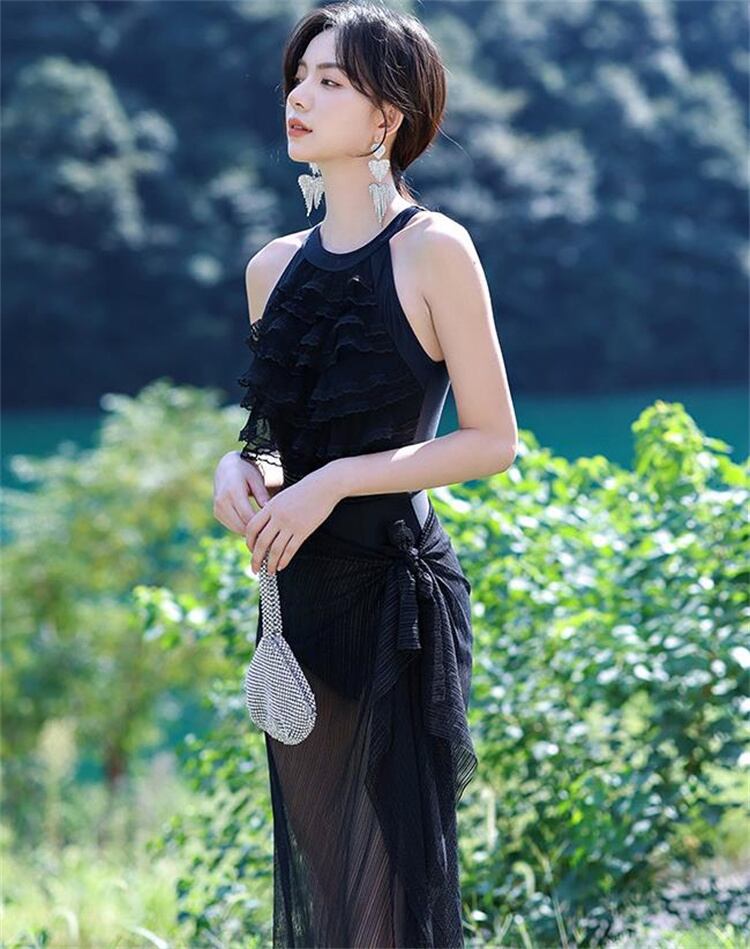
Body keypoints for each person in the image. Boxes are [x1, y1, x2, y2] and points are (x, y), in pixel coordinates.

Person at [212, 2, 518, 946]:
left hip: (397, 604)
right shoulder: (272, 269)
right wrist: (239, 467)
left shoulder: (435, 249)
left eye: (330, 81)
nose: (299, 97)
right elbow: (277, 437)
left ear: (388, 114)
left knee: (391, 894)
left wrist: (337, 479)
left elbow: (492, 440)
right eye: (298, 78)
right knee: (332, 895)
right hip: (297, 604)